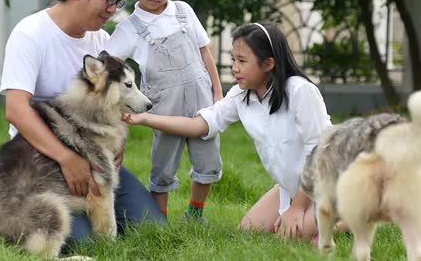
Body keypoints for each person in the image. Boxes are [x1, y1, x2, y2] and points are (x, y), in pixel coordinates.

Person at [0, 0, 166, 241]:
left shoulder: (102, 41)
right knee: (78, 239)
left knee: (152, 231)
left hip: (98, 161)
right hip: (42, 163)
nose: (112, 8)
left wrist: (118, 142)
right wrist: (67, 158)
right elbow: (16, 109)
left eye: (118, 1)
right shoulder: (30, 34)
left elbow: (120, 96)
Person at [122, 22, 332, 242]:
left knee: (291, 238)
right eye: (233, 59)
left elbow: (319, 152)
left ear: (268, 63)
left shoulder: (300, 91)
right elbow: (199, 125)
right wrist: (145, 118)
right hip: (291, 187)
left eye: (242, 61)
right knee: (248, 231)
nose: (235, 67)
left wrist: (297, 209)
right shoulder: (241, 95)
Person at [105, 0, 224, 222]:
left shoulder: (183, 11)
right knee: (163, 167)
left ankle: (196, 212)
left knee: (207, 161)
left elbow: (204, 52)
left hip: (202, 103)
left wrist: (218, 93)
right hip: (163, 110)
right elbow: (108, 66)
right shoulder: (129, 29)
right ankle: (160, 220)